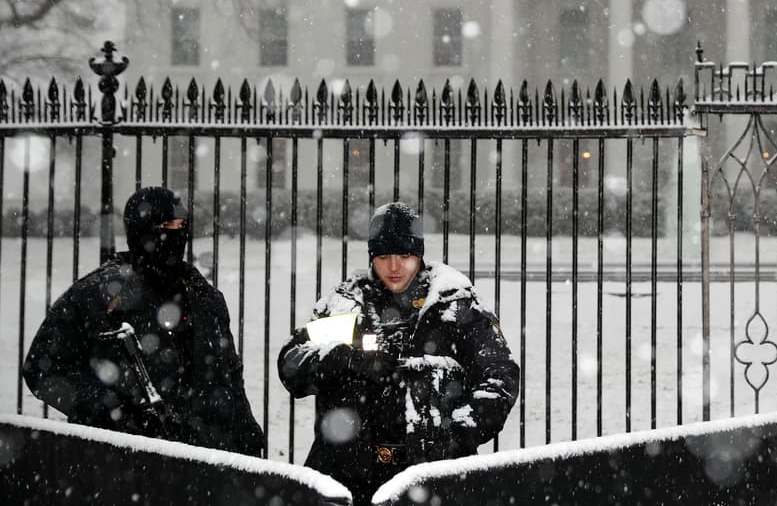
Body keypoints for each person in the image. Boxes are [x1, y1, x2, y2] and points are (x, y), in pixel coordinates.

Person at [278, 201, 519, 504]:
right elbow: (291, 364)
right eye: (383, 256)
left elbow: (499, 377)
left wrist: (458, 433)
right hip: (347, 477)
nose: (394, 267)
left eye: (404, 255)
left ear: (418, 254)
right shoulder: (347, 305)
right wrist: (344, 359)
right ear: (371, 257)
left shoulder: (453, 305)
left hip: (433, 477)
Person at [22, 186, 266, 456]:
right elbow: (43, 368)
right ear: (142, 230)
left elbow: (229, 376)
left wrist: (247, 433)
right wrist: (111, 410)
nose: (177, 233)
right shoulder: (98, 295)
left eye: (181, 224)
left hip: (205, 460)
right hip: (122, 461)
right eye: (166, 225)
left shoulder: (204, 297)